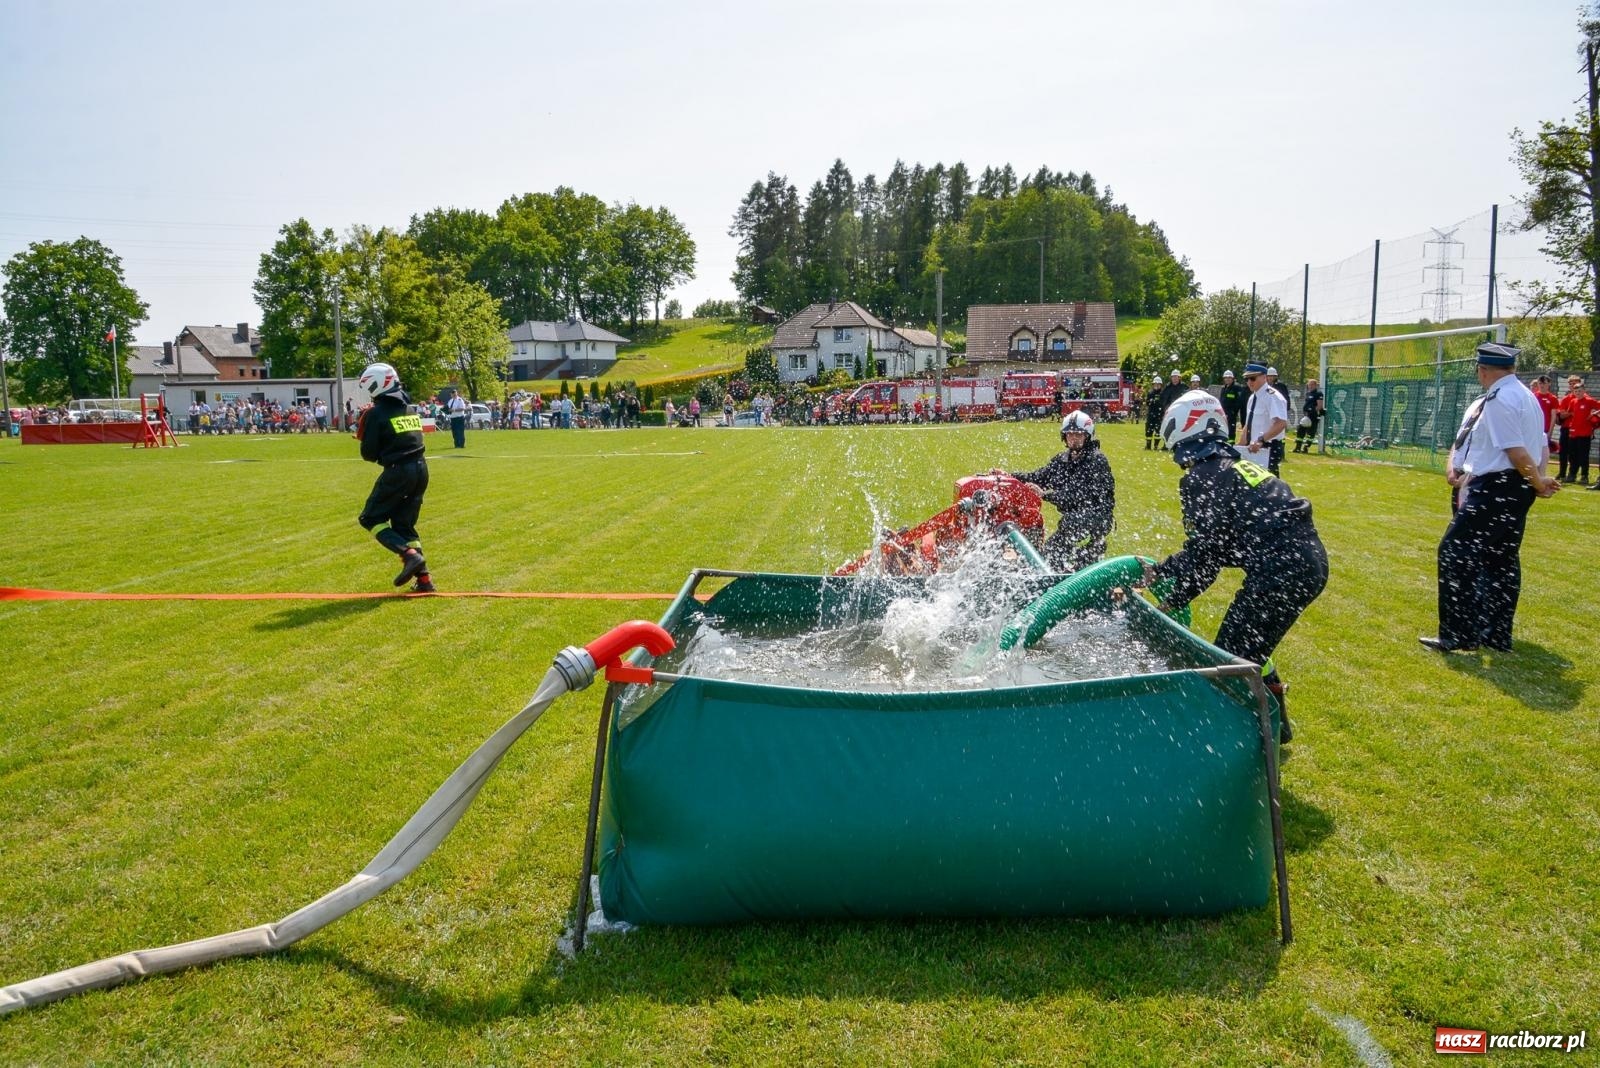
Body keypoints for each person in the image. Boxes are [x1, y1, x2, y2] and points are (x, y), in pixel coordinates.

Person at [1141, 389, 1328, 742]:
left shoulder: (1202, 476)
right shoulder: (1235, 465)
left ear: (1180, 431)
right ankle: (1277, 729)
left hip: (1281, 570)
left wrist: (1164, 581)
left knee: (1230, 660)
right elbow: (1214, 552)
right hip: (1308, 562)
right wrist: (1177, 592)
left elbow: (1204, 554)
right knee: (1250, 645)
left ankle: (1238, 743)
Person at [1422, 343, 1560, 653]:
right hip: (1515, 488)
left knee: (1454, 552)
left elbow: (1515, 450)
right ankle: (1496, 634)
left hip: (1497, 486)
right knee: (1501, 561)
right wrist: (1535, 482)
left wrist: (1537, 480)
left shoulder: (1500, 398)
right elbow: (1536, 447)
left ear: (1483, 370)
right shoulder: (1527, 397)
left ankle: (1458, 634)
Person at [1001, 410, 1115, 572]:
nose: (1074, 439)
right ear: (1064, 437)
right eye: (1070, 435)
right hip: (1075, 520)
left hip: (1095, 518)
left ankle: (1088, 556)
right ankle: (1072, 565)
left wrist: (1045, 494)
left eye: (1078, 435)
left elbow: (1078, 495)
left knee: (1063, 542)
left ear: (1087, 436)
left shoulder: (1096, 461)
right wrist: (1008, 476)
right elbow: (1037, 476)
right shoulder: (1062, 460)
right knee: (1049, 555)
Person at [355, 362, 434, 594]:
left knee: (370, 518)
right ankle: (425, 581)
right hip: (421, 470)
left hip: (399, 471)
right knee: (404, 525)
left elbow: (368, 454)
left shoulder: (375, 413)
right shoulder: (409, 409)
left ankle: (409, 555)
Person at [1239, 362, 1288, 476]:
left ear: (1264, 377)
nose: (1249, 382)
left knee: (1268, 486)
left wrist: (1261, 440)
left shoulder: (1273, 397)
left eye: (1252, 378)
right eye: (1246, 379)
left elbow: (1281, 423)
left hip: (1268, 447)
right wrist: (1240, 446)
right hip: (1253, 448)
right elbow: (1249, 424)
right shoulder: (1252, 397)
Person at [1556, 374, 1598, 485]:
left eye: (1579, 390)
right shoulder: (1572, 401)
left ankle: (1584, 476)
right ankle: (1571, 474)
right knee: (1572, 455)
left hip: (1584, 432)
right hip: (1572, 432)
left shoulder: (1589, 400)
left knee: (1583, 455)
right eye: (1576, 391)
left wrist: (1594, 415)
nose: (1577, 393)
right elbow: (1568, 413)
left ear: (1584, 390)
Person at [1153, 370, 1187, 451]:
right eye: (1173, 377)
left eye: (1176, 377)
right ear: (1171, 378)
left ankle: (1178, 446)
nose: (1174, 379)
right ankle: (1166, 445)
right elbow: (1163, 398)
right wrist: (1165, 408)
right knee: (1168, 428)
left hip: (1181, 411)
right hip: (1170, 411)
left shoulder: (1184, 387)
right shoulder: (1168, 387)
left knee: (1180, 428)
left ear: (1179, 378)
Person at [1293, 378, 1324, 453]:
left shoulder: (1318, 394)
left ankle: (1306, 448)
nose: (1310, 386)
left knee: (1311, 433)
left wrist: (1313, 412)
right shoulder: (1308, 393)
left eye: (1312, 385)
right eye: (1309, 385)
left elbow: (1319, 405)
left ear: (1316, 385)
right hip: (1306, 415)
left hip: (1313, 416)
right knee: (1300, 430)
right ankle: (1297, 447)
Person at [1219, 369, 1246, 442]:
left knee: (1231, 428)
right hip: (1223, 413)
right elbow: (1221, 400)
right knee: (1223, 428)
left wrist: (1233, 412)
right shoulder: (1223, 388)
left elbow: (1239, 401)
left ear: (1232, 378)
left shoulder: (1237, 387)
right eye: (1226, 378)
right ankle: (1224, 441)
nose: (1227, 379)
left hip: (1232, 413)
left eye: (1229, 378)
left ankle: (1231, 442)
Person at [1143, 374, 1165, 449]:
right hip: (1151, 414)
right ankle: (1148, 446)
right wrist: (1151, 401)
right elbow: (1147, 403)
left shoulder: (1163, 393)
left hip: (1159, 415)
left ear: (1161, 385)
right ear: (1153, 384)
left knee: (1158, 431)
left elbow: (1163, 403)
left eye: (1158, 384)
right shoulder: (1150, 392)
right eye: (1155, 384)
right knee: (1149, 430)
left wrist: (1158, 402)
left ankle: (1156, 446)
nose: (1157, 385)